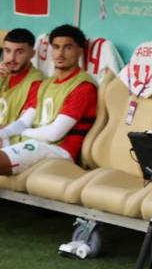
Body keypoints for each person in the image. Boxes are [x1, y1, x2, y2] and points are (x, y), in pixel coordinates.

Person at [0, 25, 97, 177]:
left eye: (68, 47)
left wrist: (22, 133)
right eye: (56, 47)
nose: (60, 53)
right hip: (34, 142)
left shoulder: (83, 86)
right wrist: (3, 133)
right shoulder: (46, 84)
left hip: (59, 150)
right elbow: (24, 122)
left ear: (80, 51)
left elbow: (54, 134)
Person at [0, 28, 42, 127]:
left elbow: (21, 125)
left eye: (19, 52)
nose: (11, 58)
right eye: (7, 51)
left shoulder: (37, 83)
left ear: (32, 54)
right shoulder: (2, 73)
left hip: (12, 140)